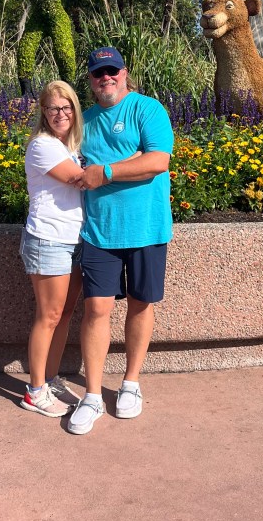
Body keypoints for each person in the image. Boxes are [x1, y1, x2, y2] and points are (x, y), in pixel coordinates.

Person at [66, 47, 174, 435]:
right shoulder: (84, 121)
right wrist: (130, 161)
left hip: (147, 228)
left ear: (124, 73)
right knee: (96, 308)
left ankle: (130, 383)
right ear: (91, 80)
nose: (106, 78)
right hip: (100, 230)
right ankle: (93, 395)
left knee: (141, 304)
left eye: (112, 70)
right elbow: (72, 164)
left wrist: (107, 172)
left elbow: (157, 161)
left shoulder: (148, 110)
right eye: (99, 73)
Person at [19, 80, 85, 417]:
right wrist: (131, 164)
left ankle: (49, 378)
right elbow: (80, 179)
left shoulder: (68, 146)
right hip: (49, 239)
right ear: (43, 113)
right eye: (53, 108)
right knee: (49, 316)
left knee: (64, 314)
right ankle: (35, 391)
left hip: (74, 239)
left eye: (66, 107)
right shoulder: (42, 146)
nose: (60, 114)